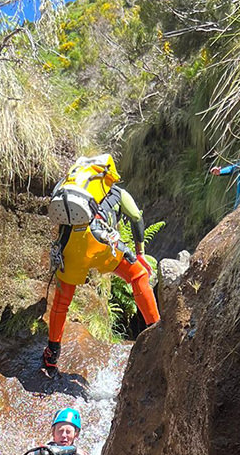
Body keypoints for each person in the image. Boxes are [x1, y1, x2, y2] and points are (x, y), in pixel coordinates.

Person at [43, 154, 160, 377]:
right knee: (138, 275)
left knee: (62, 301)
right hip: (102, 245)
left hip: (71, 248)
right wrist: (140, 253)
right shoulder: (116, 191)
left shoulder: (71, 184)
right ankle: (157, 331)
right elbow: (136, 216)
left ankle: (52, 353)